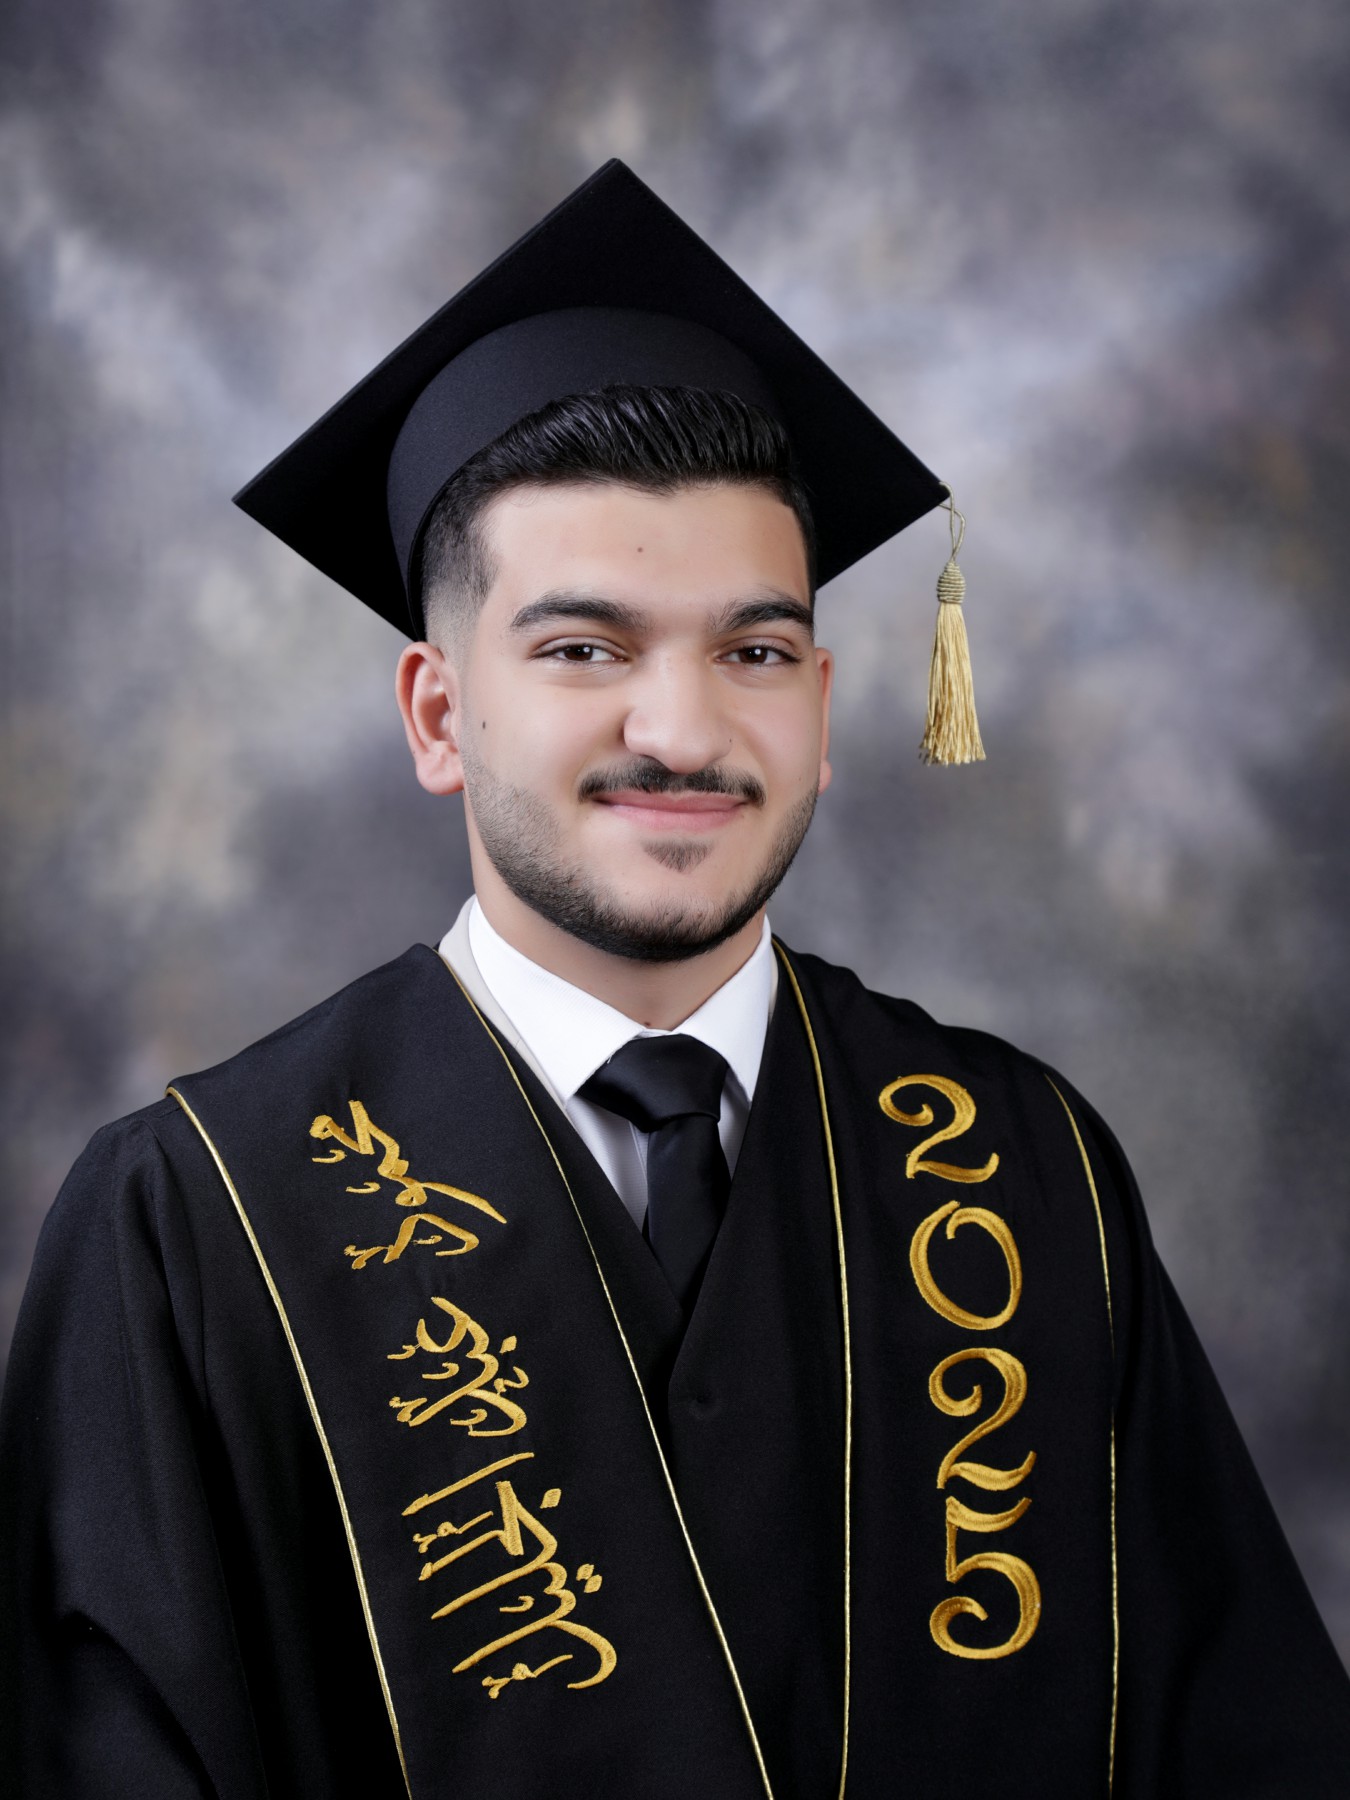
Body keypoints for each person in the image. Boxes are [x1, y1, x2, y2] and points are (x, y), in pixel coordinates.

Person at [2, 158, 1347, 1800]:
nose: (684, 729)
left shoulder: (1017, 1173)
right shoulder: (196, 1223)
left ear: (823, 706)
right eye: (585, 649)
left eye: (752, 651)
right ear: (437, 714)